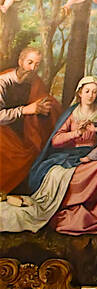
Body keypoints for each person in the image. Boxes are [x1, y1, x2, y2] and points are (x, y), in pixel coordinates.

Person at [0, 76, 97, 238]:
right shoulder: (72, 113)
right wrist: (75, 134)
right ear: (80, 93)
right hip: (70, 157)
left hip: (95, 154)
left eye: (94, 92)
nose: (91, 95)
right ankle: (91, 210)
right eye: (87, 91)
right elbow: (55, 141)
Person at [0, 46, 60, 196]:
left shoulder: (34, 81)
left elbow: (42, 101)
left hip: (25, 129)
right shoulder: (3, 81)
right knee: (12, 154)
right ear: (20, 62)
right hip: (4, 129)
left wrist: (45, 107)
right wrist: (26, 110)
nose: (33, 68)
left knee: (34, 148)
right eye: (29, 62)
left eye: (37, 64)